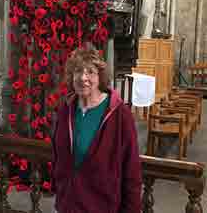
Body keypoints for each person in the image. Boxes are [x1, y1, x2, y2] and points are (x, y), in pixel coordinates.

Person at [51, 47, 142, 213]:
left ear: (100, 77)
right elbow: (59, 157)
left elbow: (132, 171)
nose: (83, 78)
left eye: (90, 72)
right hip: (67, 205)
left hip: (102, 206)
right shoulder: (66, 109)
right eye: (78, 71)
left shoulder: (120, 115)